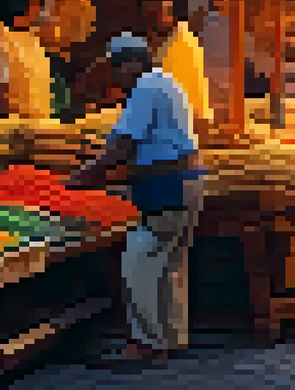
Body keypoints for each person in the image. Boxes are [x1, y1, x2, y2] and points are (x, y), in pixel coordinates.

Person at [69, 35, 206, 366]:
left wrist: (83, 178)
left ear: (134, 63)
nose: (116, 75)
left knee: (139, 260)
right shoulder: (166, 83)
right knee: (170, 264)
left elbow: (122, 147)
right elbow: (122, 141)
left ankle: (146, 344)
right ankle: (173, 338)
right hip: (185, 182)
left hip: (166, 185)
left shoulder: (145, 88)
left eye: (118, 67)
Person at [140, 0, 213, 139]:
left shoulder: (178, 44)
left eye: (154, 14)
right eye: (147, 15)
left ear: (168, 14)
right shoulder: (175, 39)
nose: (149, 21)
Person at [0, 0, 53, 121]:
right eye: (34, 6)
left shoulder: (33, 39)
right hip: (16, 123)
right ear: (20, 8)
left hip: (41, 119)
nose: (38, 11)